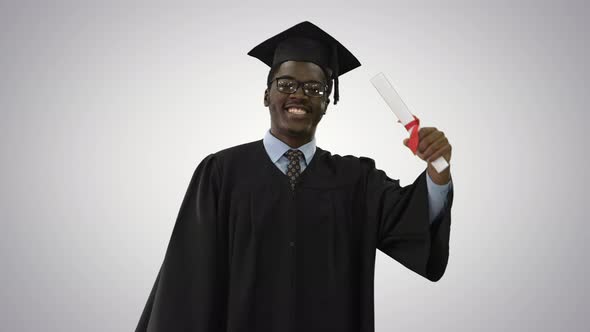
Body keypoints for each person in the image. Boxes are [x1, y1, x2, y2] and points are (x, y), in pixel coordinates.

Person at [135, 21, 454, 332]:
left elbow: (415, 223)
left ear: (327, 102)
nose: (299, 95)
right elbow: (187, 279)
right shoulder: (220, 174)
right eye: (286, 84)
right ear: (267, 94)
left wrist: (438, 167)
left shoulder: (357, 180)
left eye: (314, 88)